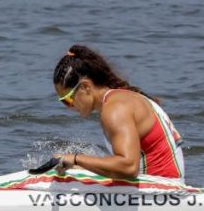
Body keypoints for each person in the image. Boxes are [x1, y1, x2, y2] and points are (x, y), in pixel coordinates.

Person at [52, 45, 184, 181]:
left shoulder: (115, 109)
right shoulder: (121, 97)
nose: (69, 106)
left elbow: (129, 168)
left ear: (86, 86)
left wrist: (75, 159)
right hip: (161, 185)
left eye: (68, 99)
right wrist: (82, 167)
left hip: (159, 192)